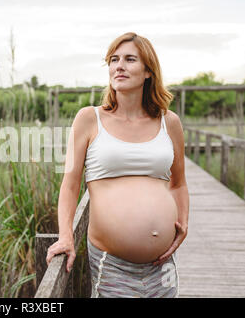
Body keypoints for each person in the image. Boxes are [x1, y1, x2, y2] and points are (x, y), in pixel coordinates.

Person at [45, 32, 189, 298]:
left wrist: (183, 224)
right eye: (114, 59)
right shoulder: (89, 119)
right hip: (111, 265)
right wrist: (66, 236)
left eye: (130, 59)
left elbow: (178, 183)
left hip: (163, 266)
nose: (119, 66)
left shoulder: (169, 122)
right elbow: (70, 184)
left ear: (148, 71)